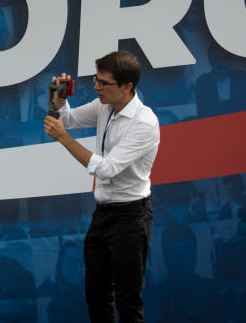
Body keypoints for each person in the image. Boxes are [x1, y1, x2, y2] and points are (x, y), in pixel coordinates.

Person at [43, 50, 160, 323]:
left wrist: (64, 139)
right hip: (103, 214)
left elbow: (106, 169)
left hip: (131, 216)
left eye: (103, 83)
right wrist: (59, 100)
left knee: (128, 301)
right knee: (96, 296)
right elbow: (69, 119)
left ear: (126, 86)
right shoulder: (105, 105)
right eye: (96, 80)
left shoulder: (144, 123)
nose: (96, 87)